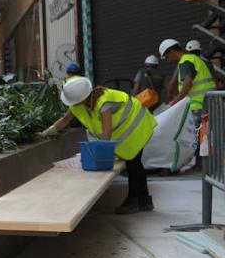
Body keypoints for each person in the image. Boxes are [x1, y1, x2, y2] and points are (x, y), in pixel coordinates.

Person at [41, 76, 157, 214]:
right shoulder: (79, 104)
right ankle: (144, 201)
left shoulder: (103, 103)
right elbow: (65, 120)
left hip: (137, 126)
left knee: (133, 163)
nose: (73, 104)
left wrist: (102, 156)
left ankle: (133, 201)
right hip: (126, 130)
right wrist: (48, 132)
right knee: (135, 163)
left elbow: (106, 133)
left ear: (82, 98)